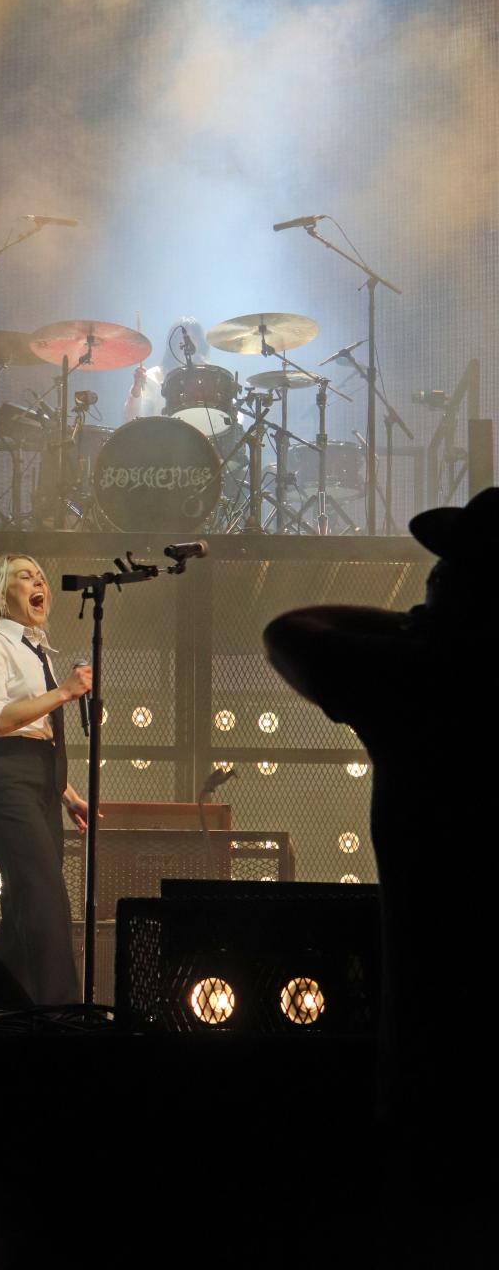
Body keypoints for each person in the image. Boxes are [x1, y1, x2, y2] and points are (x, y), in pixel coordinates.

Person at [262, 488, 498, 1259]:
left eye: (452, 572)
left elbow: (293, 630)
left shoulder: (421, 685)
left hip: (435, 1068)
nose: (434, 581)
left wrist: (428, 636)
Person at [0, 554, 91, 1004]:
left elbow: (40, 735)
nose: (39, 582)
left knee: (23, 908)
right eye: (25, 576)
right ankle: (63, 1016)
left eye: (41, 577)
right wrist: (65, 692)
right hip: (7, 785)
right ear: (1, 594)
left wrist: (66, 795)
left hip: (40, 784)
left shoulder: (37, 652)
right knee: (46, 903)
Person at [123, 315, 210, 423]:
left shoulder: (208, 378)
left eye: (194, 338)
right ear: (172, 344)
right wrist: (136, 392)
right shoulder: (152, 377)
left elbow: (228, 409)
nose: (188, 343)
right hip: (161, 437)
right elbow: (132, 419)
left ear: (200, 346)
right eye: (183, 337)